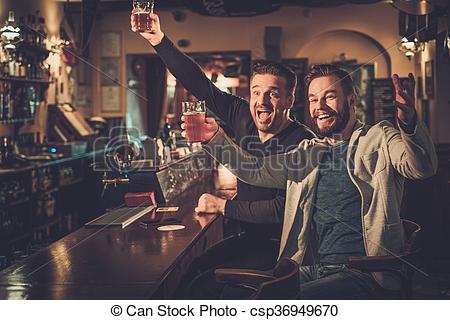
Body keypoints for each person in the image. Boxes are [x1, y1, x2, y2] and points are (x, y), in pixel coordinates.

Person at [182, 64, 438, 299]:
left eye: (329, 96)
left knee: (273, 303)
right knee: (229, 295)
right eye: (314, 99)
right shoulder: (308, 151)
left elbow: (422, 167)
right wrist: (213, 138)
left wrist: (408, 123)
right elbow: (255, 169)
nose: (320, 106)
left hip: (365, 272)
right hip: (312, 269)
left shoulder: (379, 137)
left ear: (351, 99)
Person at [131, 11, 315, 297]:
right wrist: (158, 39)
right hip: (246, 237)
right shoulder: (242, 114)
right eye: (256, 92)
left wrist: (223, 206)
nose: (262, 101)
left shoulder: (303, 142)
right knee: (192, 270)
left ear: (291, 100)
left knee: (202, 286)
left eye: (273, 93)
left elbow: (281, 209)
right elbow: (199, 84)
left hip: (281, 249)